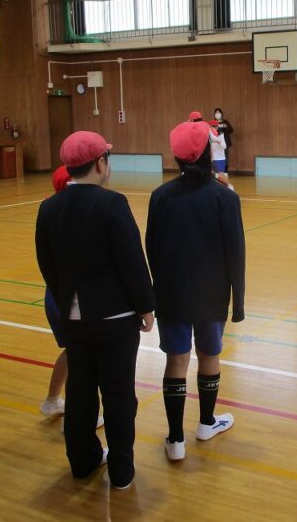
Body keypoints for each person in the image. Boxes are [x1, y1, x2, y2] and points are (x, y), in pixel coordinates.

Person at [35, 131, 156, 490]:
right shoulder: (112, 203)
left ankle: (83, 462)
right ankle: (121, 470)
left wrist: (64, 297)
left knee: (81, 392)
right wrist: (146, 307)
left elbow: (45, 262)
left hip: (73, 319)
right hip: (115, 320)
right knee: (118, 395)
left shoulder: (49, 206)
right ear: (101, 163)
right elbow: (132, 261)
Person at [145, 120, 245, 462]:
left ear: (175, 155)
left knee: (176, 359)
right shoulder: (224, 198)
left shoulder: (160, 197)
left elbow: (151, 249)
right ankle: (205, 423)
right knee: (209, 355)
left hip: (171, 293)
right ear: (207, 152)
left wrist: (157, 293)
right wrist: (239, 303)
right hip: (211, 294)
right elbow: (236, 253)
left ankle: (175, 440)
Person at [39, 165, 104, 431]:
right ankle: (79, 417)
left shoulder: (53, 215)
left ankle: (53, 400)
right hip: (72, 300)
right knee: (85, 358)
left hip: (55, 296)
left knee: (73, 352)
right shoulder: (79, 222)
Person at [208, 119, 233, 190]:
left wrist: (219, 141)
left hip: (220, 159)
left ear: (216, 127)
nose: (211, 128)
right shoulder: (210, 135)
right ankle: (219, 188)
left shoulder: (221, 136)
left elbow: (224, 146)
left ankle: (229, 187)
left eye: (213, 126)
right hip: (213, 159)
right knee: (212, 174)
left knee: (220, 175)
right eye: (210, 126)